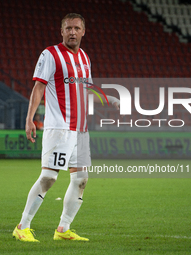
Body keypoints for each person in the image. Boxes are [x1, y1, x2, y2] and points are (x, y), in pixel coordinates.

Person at [13, 13, 119, 242]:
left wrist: (108, 98)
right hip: (59, 128)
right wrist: (29, 118)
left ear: (83, 32)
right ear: (62, 31)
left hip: (80, 130)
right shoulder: (50, 54)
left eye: (76, 28)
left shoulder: (84, 58)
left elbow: (87, 87)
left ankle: (63, 229)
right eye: (68, 28)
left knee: (81, 179)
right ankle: (23, 225)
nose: (72, 32)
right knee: (49, 177)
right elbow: (39, 87)